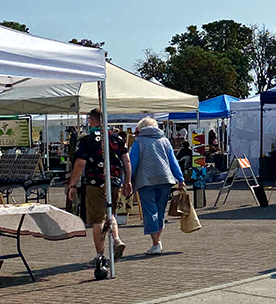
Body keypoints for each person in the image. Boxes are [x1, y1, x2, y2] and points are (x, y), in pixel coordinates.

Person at [65, 108, 132, 269]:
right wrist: (127, 181)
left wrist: (72, 185)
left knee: (98, 219)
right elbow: (127, 161)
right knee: (111, 213)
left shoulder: (86, 139)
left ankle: (100, 255)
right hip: (114, 180)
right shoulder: (117, 138)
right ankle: (116, 239)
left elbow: (80, 164)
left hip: (95, 181)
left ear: (91, 121)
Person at [129, 117, 186, 256]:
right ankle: (157, 241)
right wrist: (180, 179)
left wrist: (127, 181)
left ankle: (156, 243)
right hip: (165, 179)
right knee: (160, 211)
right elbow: (173, 161)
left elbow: (132, 163)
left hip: (145, 180)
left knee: (150, 211)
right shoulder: (165, 141)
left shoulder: (138, 142)